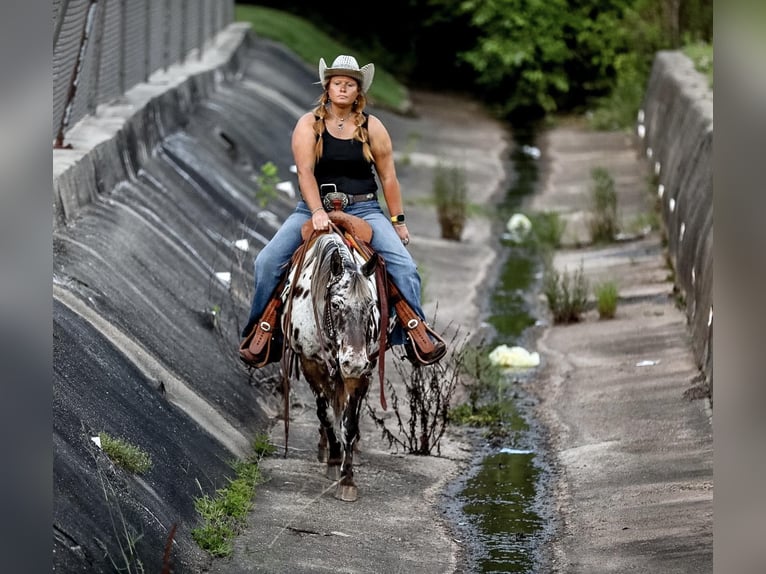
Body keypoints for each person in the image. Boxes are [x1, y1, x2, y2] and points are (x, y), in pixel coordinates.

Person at [240, 54, 445, 366]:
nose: (343, 88)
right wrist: (316, 211)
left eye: (350, 84)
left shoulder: (372, 127)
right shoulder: (308, 124)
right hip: (312, 209)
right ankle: (265, 333)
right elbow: (305, 173)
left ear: (358, 91)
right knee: (267, 262)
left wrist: (398, 221)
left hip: (365, 209)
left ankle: (416, 335)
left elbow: (388, 176)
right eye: (338, 83)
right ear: (328, 86)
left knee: (404, 268)